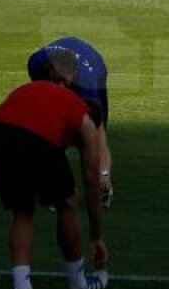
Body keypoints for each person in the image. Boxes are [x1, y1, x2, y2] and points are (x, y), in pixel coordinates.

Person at [0, 75, 109, 289]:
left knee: (22, 210)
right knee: (68, 203)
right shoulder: (86, 120)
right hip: (34, 135)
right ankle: (79, 287)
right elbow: (92, 185)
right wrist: (96, 237)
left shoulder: (53, 96)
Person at [28, 37, 114, 207]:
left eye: (64, 82)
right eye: (56, 81)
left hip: (93, 66)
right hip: (52, 72)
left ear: (73, 75)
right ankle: (54, 184)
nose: (61, 88)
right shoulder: (36, 63)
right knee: (51, 129)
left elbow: (99, 132)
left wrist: (103, 174)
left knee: (92, 133)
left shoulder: (90, 83)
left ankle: (102, 185)